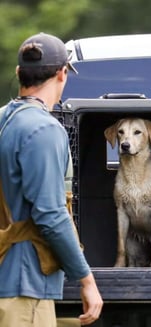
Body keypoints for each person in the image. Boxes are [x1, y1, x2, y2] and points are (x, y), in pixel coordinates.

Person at [0, 33, 103, 326]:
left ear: (19, 72)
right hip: (24, 286)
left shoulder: (4, 120)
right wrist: (86, 279)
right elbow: (50, 213)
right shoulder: (44, 129)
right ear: (62, 73)